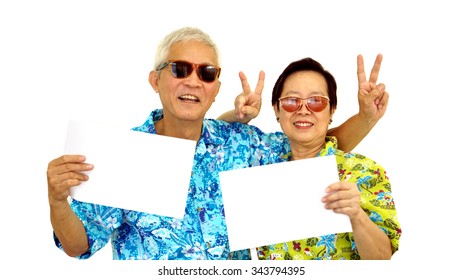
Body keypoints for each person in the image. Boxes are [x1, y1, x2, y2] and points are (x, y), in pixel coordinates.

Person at [47, 27, 388, 260]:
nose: (193, 81)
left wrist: (367, 117)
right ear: (156, 80)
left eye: (206, 72)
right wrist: (58, 200)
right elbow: (78, 246)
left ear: (215, 87)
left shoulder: (242, 145)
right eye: (180, 69)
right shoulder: (125, 156)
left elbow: (313, 147)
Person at [248, 57, 401, 260]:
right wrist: (238, 115)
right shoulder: (259, 163)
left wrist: (357, 215)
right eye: (292, 101)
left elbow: (382, 258)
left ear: (332, 110)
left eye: (316, 101)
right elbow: (206, 149)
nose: (304, 109)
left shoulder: (364, 170)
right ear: (277, 110)